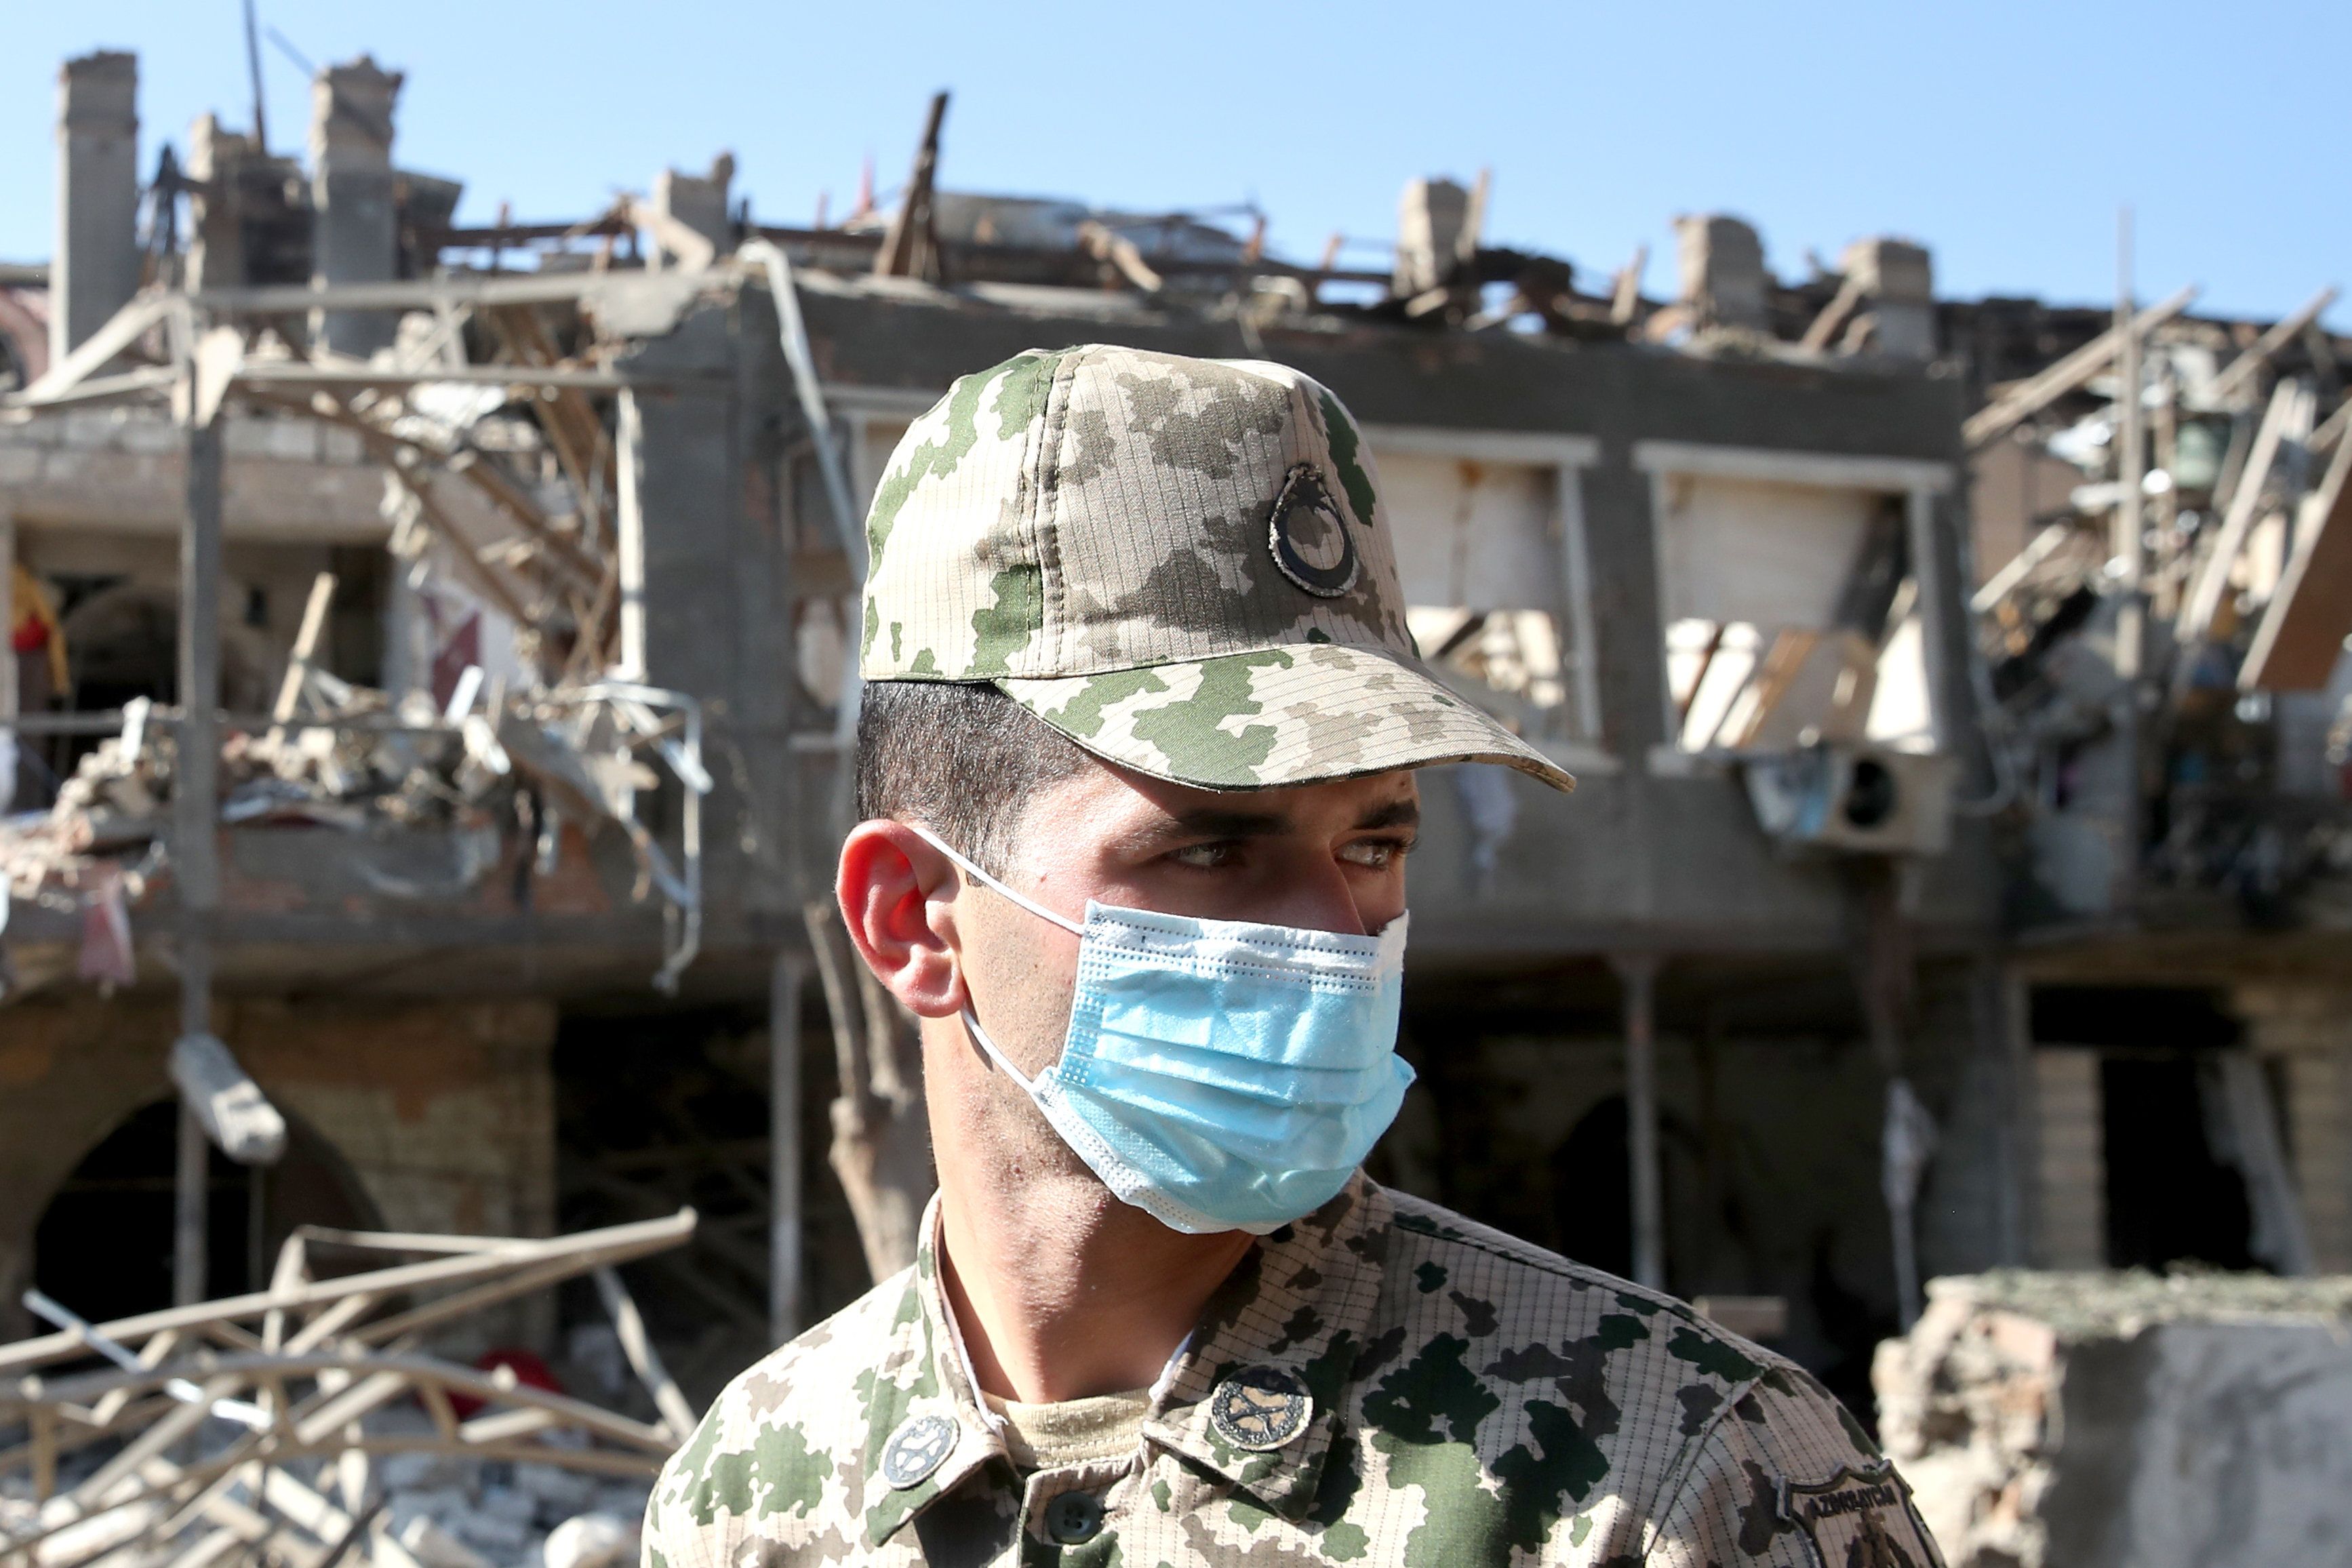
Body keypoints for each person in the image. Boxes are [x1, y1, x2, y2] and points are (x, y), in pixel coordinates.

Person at [644, 345, 1942, 1566]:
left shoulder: (1673, 1475)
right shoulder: (747, 1494)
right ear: (914, 916)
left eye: (1374, 844)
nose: (1339, 932)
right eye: (1211, 852)